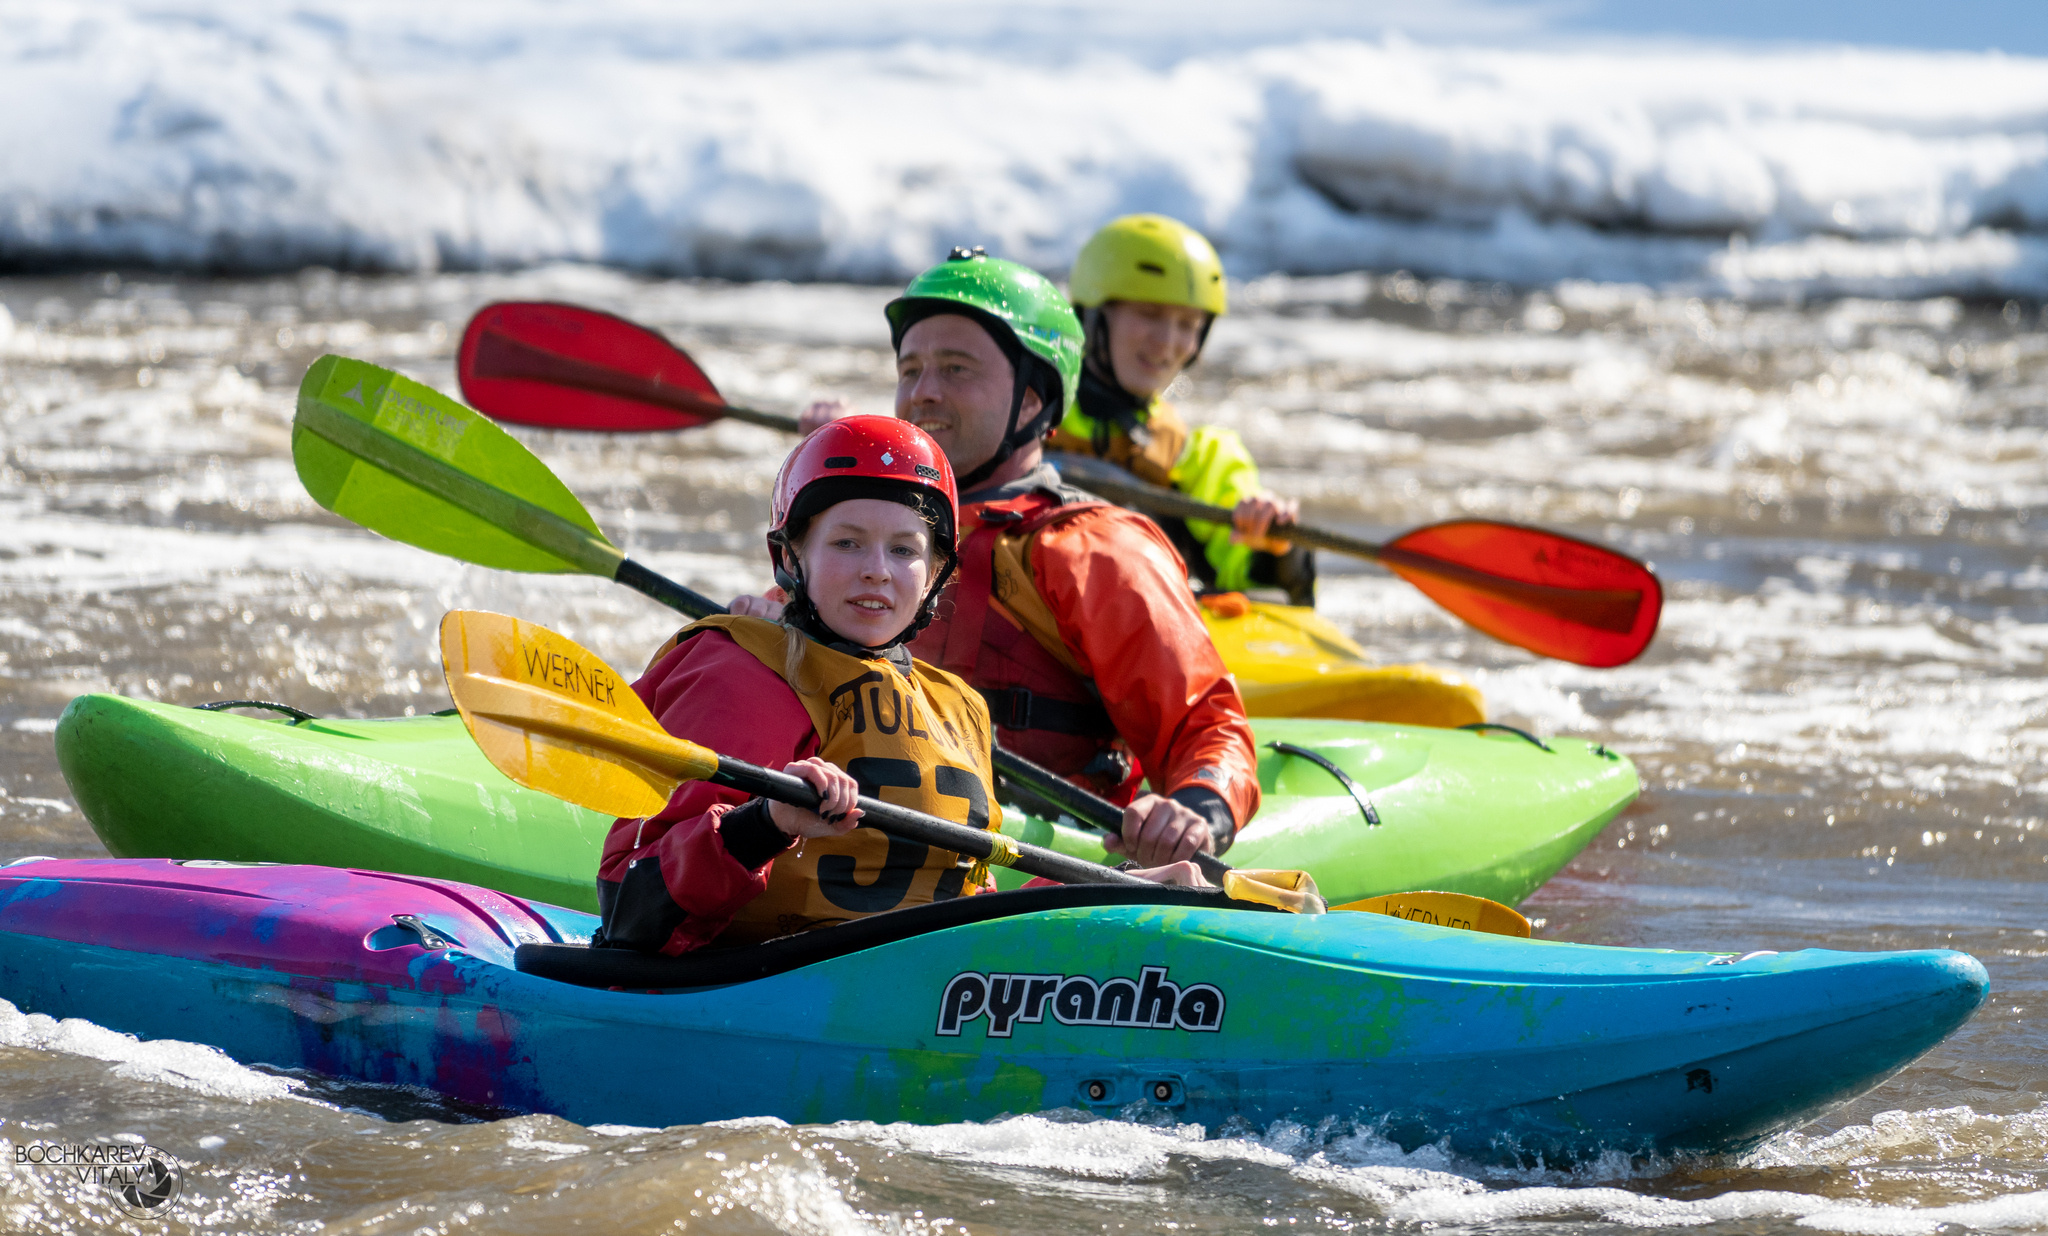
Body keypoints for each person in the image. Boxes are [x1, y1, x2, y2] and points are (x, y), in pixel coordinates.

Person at [593, 416, 1205, 956]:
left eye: (905, 549)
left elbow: (970, 908)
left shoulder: (957, 706)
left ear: (938, 573)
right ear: (788, 555)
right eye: (847, 542)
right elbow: (629, 913)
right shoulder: (739, 670)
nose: (876, 570)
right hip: (755, 995)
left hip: (926, 1001)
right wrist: (766, 824)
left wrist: (1122, 886)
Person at [794, 249, 1262, 868]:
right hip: (852, 823)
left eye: (957, 369)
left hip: (1038, 857)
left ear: (1035, 400)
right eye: (911, 369)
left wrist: (1195, 813)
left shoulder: (1092, 549)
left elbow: (1207, 725)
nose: (923, 393)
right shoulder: (861, 528)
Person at [1052, 213, 1316, 606]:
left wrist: (1277, 547)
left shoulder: (1202, 456)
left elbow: (1271, 597)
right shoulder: (1026, 418)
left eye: (1188, 324)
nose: (1168, 342)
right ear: (1092, 316)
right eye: (1149, 314)